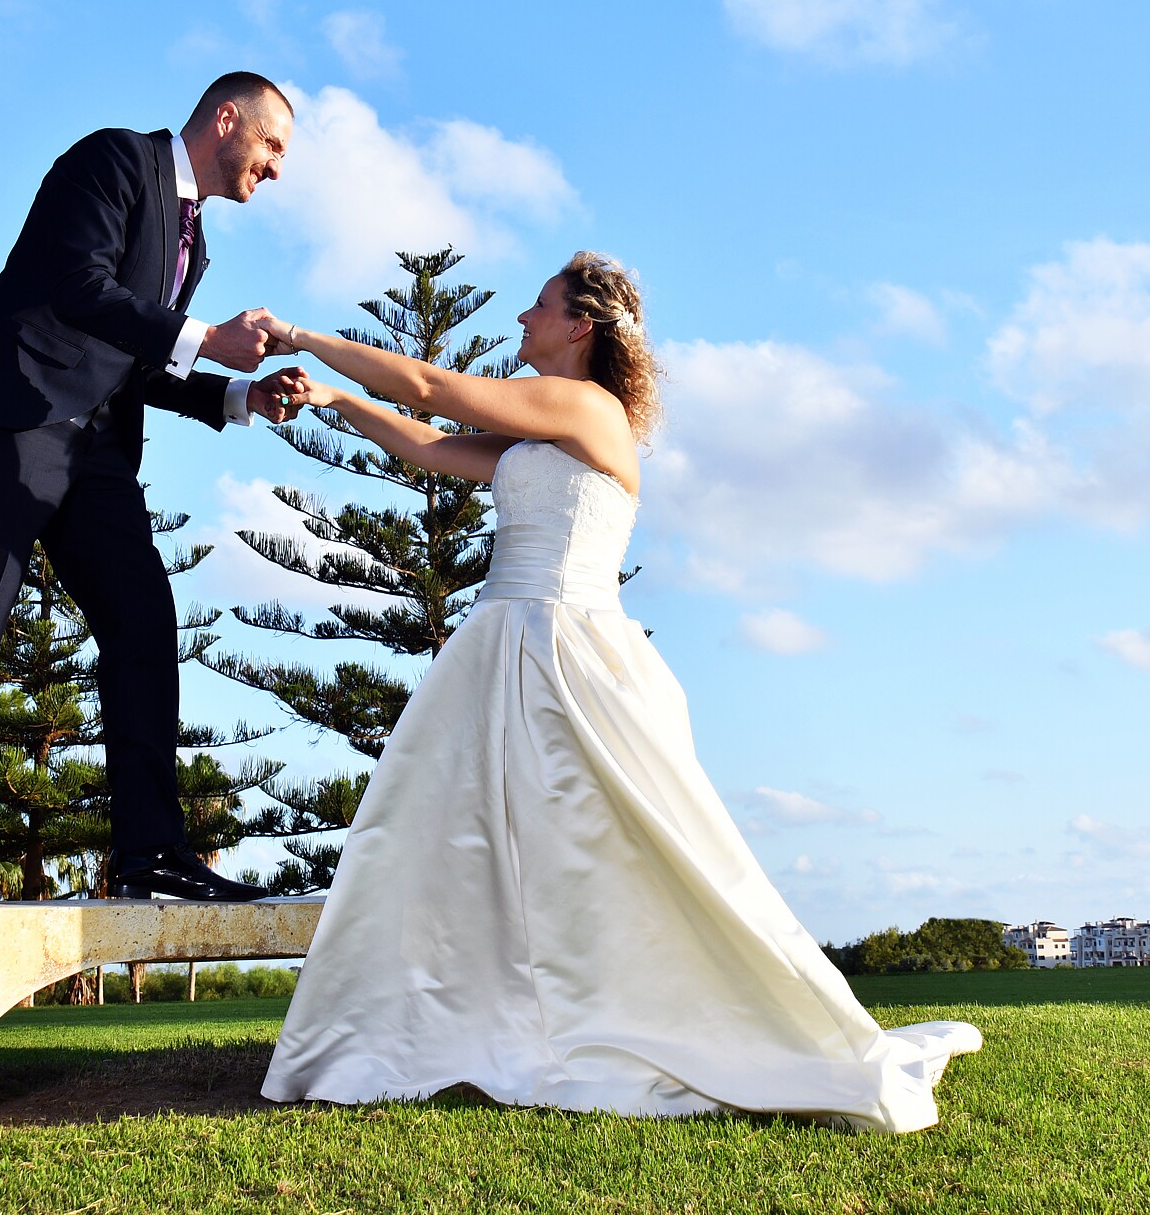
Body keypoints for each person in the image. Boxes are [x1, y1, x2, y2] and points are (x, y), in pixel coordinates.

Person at [256, 252, 982, 1132]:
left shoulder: (583, 406)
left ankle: (660, 1018)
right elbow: (432, 446)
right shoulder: (544, 427)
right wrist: (336, 404)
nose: (521, 319)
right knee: (477, 845)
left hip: (564, 651)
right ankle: (492, 1021)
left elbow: (427, 386)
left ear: (580, 327)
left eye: (538, 307)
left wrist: (294, 334)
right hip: (504, 646)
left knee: (610, 850)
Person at [0, 72, 312, 905]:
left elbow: (139, 358)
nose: (277, 168)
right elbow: (79, 286)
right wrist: (207, 338)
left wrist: (235, 394)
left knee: (143, 624)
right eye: (274, 145)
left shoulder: (193, 242)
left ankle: (151, 855)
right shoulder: (111, 161)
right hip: (15, 416)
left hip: (99, 454)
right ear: (225, 119)